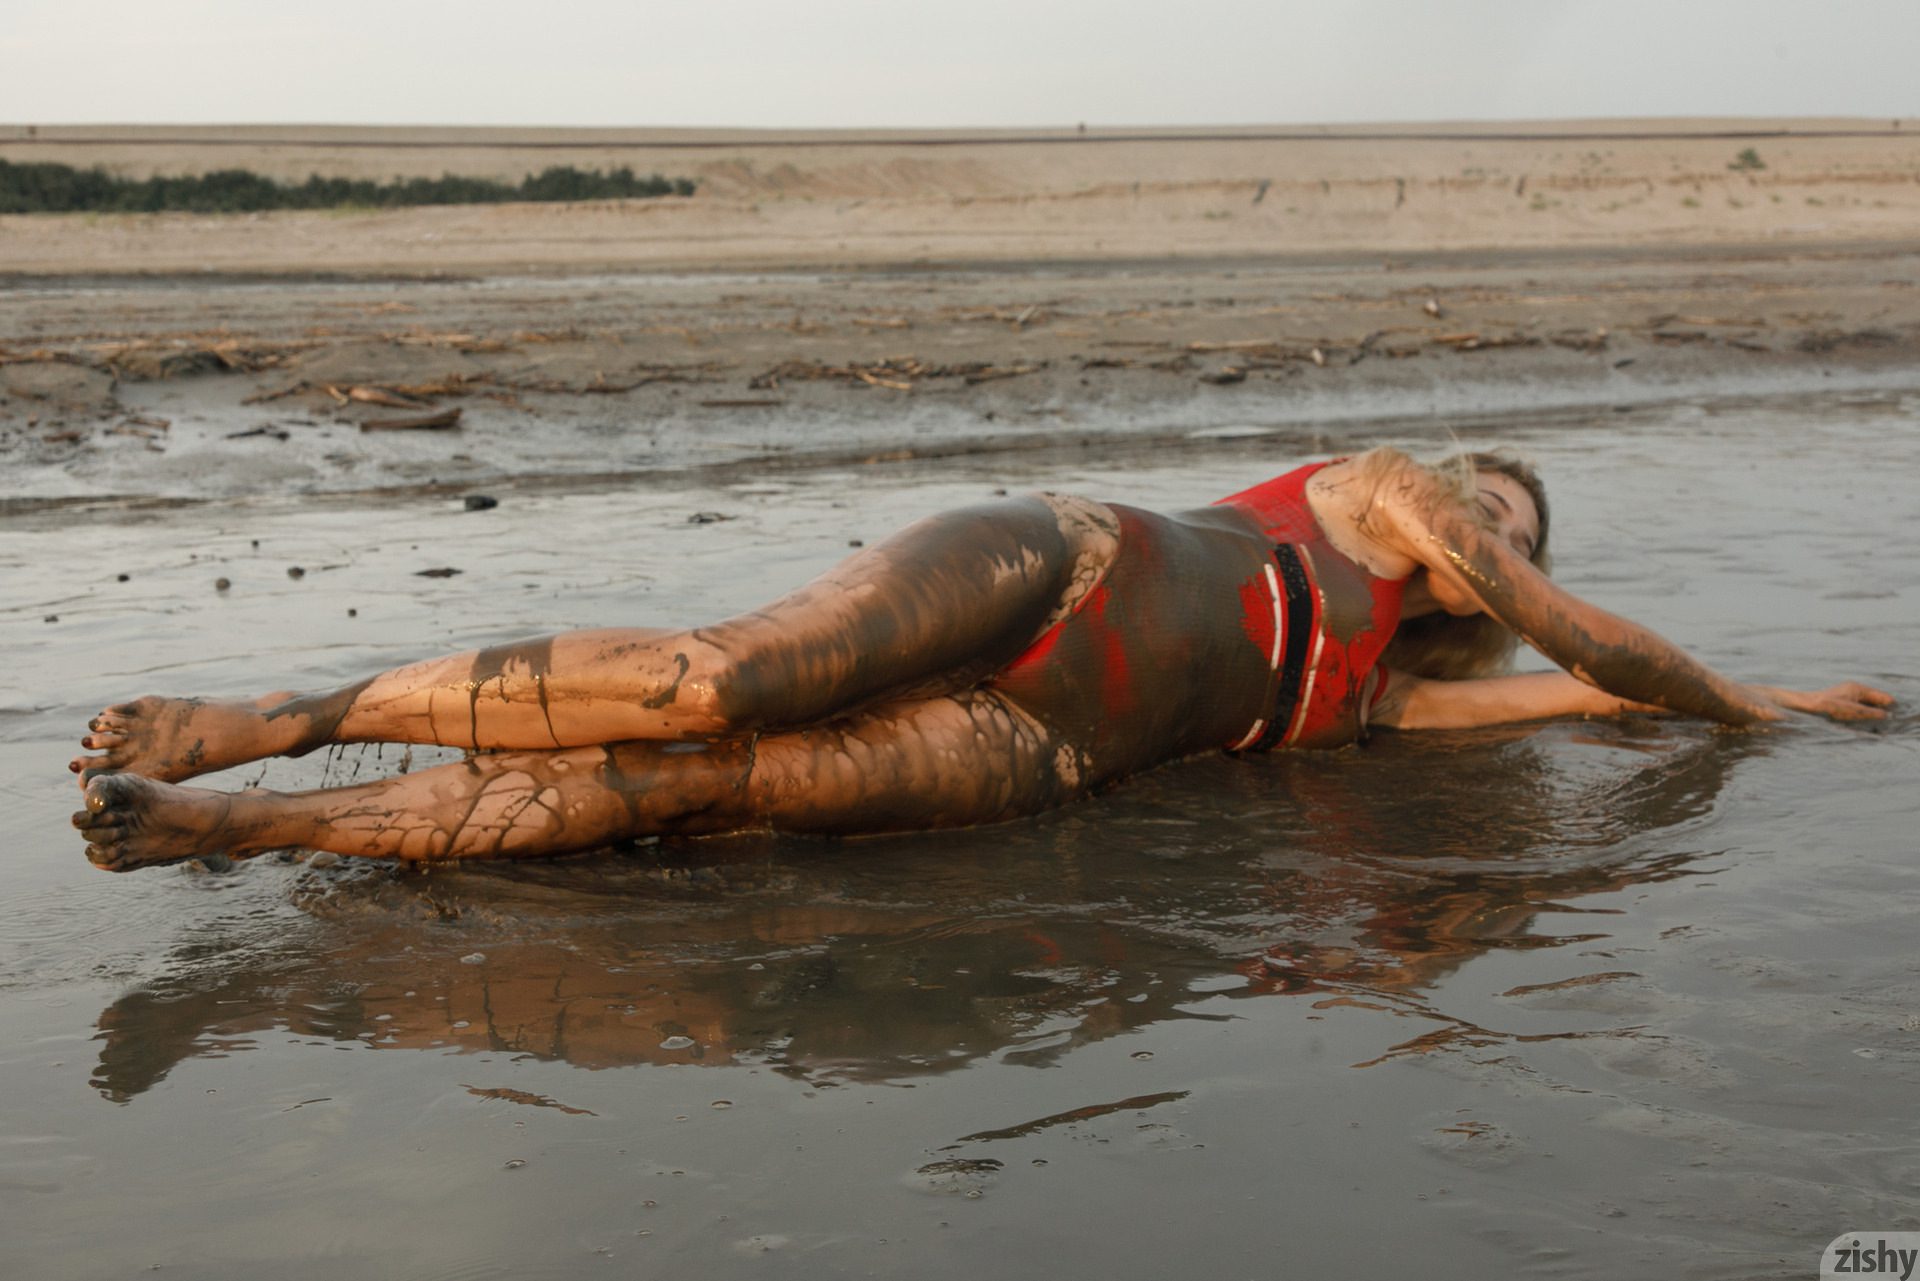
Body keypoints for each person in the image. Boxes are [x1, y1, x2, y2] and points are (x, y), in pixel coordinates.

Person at [70, 448, 1891, 872]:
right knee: (721, 682)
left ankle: (243, 831)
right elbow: (1606, 646)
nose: (1492, 522)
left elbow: (1582, 688)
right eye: (1494, 496)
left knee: (710, 794)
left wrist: (1787, 704)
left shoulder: (1385, 687)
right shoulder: (1383, 492)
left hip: (1042, 745)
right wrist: (1723, 685)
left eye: (1513, 526)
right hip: (1052, 573)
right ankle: (271, 719)